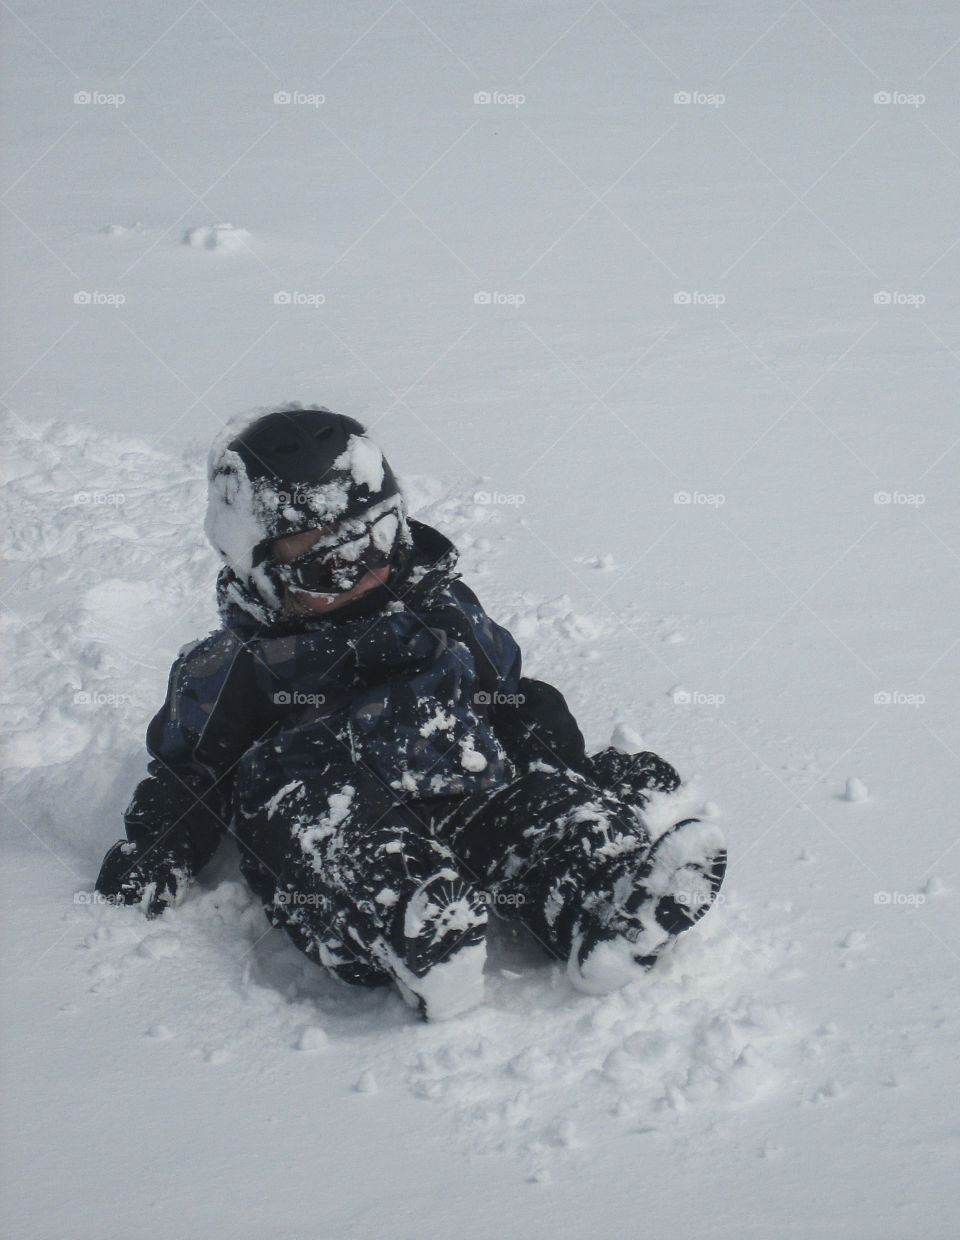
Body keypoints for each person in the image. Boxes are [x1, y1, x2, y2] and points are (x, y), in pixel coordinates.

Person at [95, 406, 726, 1020]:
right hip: (331, 805)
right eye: (330, 562)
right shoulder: (235, 668)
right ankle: (416, 934)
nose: (368, 571)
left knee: (530, 803)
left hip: (458, 772)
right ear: (261, 576)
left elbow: (506, 695)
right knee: (316, 825)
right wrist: (160, 846)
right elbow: (191, 773)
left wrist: (579, 773)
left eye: (382, 537)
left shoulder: (436, 608)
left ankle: (605, 901)